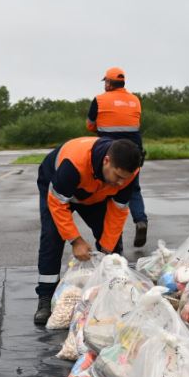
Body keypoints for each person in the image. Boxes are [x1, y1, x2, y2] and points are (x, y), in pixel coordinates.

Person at [33, 136, 143, 325]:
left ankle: (112, 293)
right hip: (59, 189)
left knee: (113, 247)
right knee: (52, 237)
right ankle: (45, 298)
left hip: (95, 194)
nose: (119, 183)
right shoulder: (73, 164)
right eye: (117, 177)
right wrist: (75, 240)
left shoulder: (128, 173)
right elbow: (58, 203)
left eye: (124, 179)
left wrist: (106, 250)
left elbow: (118, 212)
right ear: (107, 161)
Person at [87, 67, 148, 247]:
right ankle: (141, 220)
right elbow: (136, 122)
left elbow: (90, 125)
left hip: (110, 153)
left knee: (109, 194)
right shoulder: (135, 100)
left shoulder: (99, 100)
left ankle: (113, 239)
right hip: (134, 152)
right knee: (133, 188)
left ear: (108, 82)